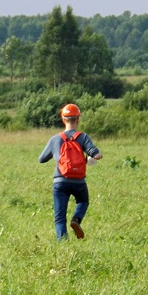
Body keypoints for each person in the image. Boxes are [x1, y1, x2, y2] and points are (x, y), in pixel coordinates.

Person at [38, 103, 102, 241]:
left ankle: (63, 244)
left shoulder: (55, 139)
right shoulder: (83, 137)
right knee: (83, 201)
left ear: (63, 119)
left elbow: (41, 159)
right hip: (79, 181)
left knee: (59, 216)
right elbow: (97, 155)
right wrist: (91, 157)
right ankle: (76, 219)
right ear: (78, 119)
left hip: (60, 181)